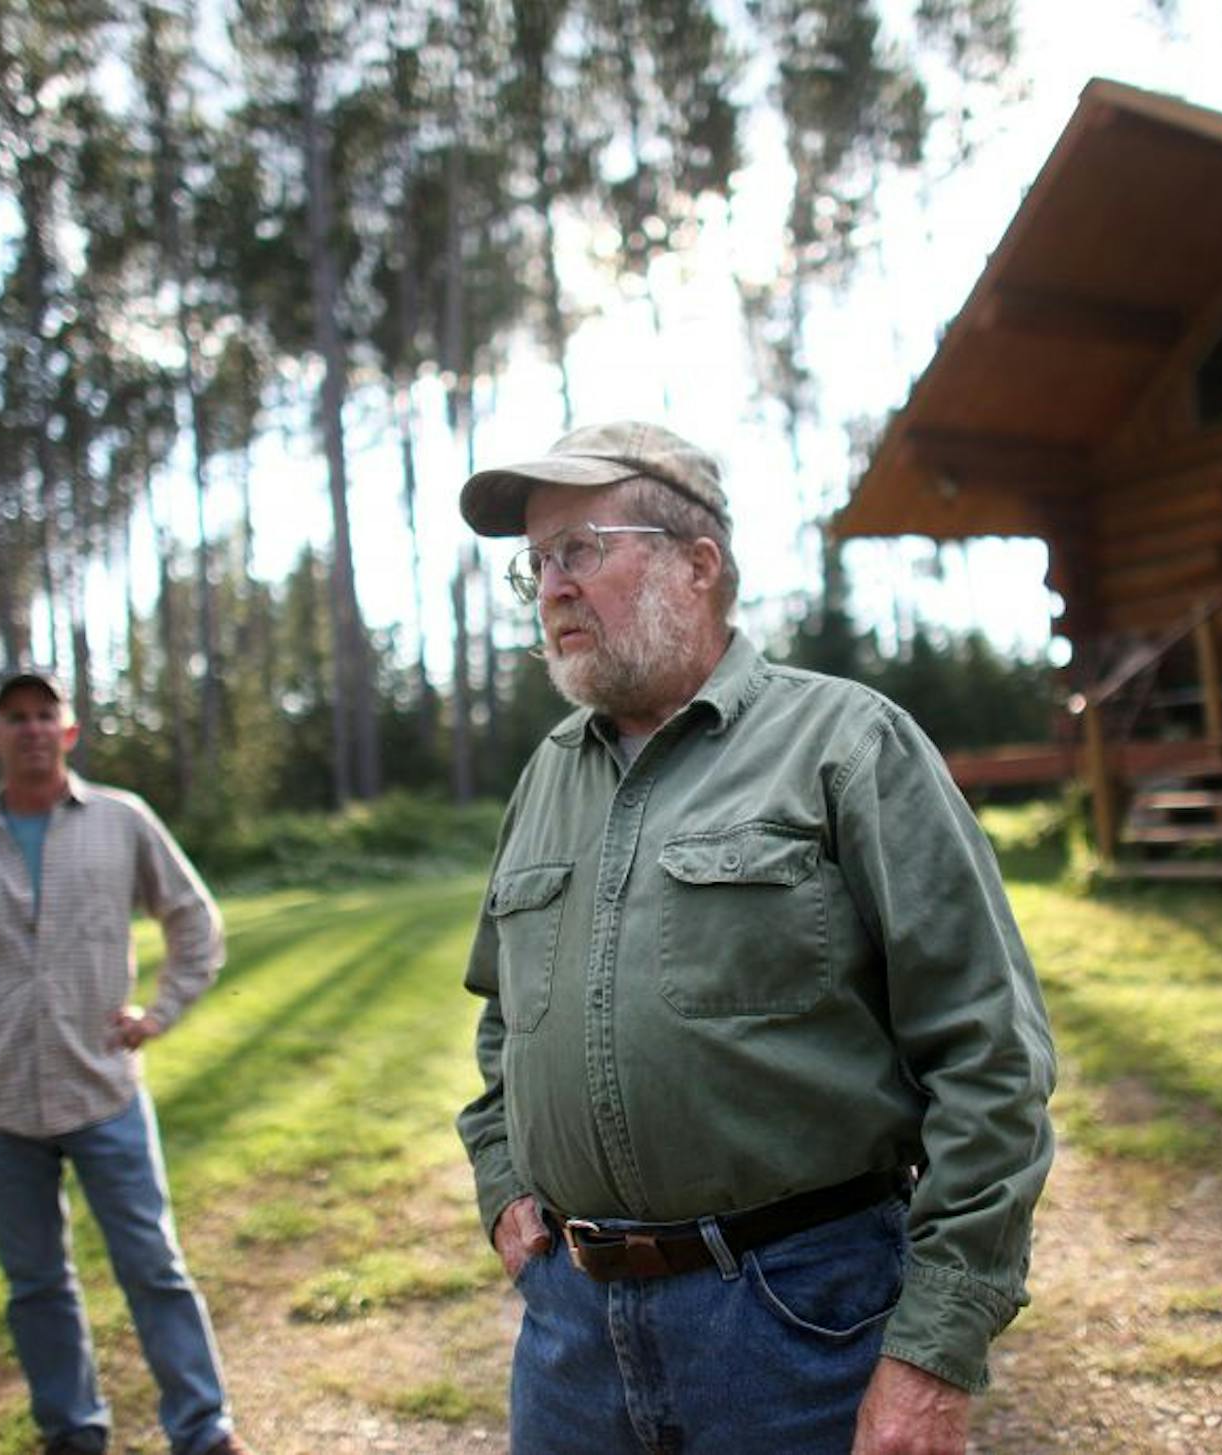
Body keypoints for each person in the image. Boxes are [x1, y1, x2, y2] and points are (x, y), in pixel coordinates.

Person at [453, 422, 1057, 1455]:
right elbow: (504, 1019)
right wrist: (503, 1179)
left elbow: (989, 1057)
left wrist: (934, 1353)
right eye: (537, 562)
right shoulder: (548, 773)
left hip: (799, 1325)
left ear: (698, 565)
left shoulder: (847, 743)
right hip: (570, 1338)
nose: (551, 588)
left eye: (580, 548)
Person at [0, 670, 252, 1455]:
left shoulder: (121, 820)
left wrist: (159, 1012)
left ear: (69, 731)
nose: (30, 728)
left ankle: (203, 1430)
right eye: (14, 716)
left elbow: (195, 922)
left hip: (102, 1092)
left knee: (152, 1265)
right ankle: (72, 1432)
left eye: (43, 714)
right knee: (36, 1285)